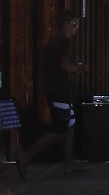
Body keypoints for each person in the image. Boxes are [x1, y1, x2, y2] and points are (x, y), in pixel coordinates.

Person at [17, 10, 89, 178]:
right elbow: (64, 65)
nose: (76, 29)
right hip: (59, 91)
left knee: (70, 126)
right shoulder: (64, 41)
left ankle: (69, 164)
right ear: (65, 24)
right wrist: (79, 68)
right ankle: (26, 155)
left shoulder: (53, 41)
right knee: (61, 128)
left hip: (59, 90)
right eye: (75, 24)